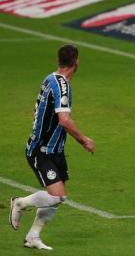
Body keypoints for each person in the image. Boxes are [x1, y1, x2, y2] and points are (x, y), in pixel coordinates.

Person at [9, 44, 95, 250]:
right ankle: (19, 203)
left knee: (57, 198)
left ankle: (32, 237)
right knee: (57, 195)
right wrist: (83, 140)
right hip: (42, 149)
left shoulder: (49, 78)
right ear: (76, 62)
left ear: (59, 61)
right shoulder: (62, 85)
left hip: (54, 149)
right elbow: (64, 120)